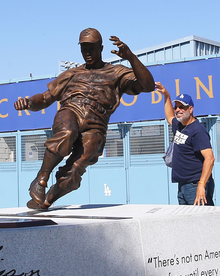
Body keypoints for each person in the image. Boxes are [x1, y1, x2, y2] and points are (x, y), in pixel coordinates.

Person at [15, 28, 155, 209]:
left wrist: (131, 57)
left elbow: (148, 85)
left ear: (101, 47)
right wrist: (28, 102)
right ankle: (41, 179)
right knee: (67, 132)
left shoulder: (117, 72)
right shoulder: (72, 74)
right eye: (84, 48)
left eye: (91, 47)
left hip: (96, 124)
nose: (87, 52)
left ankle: (47, 199)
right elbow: (44, 98)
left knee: (75, 172)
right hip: (71, 110)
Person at [154, 82, 216, 205]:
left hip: (194, 184)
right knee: (187, 221)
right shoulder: (179, 126)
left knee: (201, 220)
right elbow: (169, 116)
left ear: (191, 109)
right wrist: (166, 95)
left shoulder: (197, 131)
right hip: (182, 185)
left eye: (182, 107)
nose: (178, 110)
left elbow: (210, 158)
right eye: (176, 107)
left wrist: (201, 185)